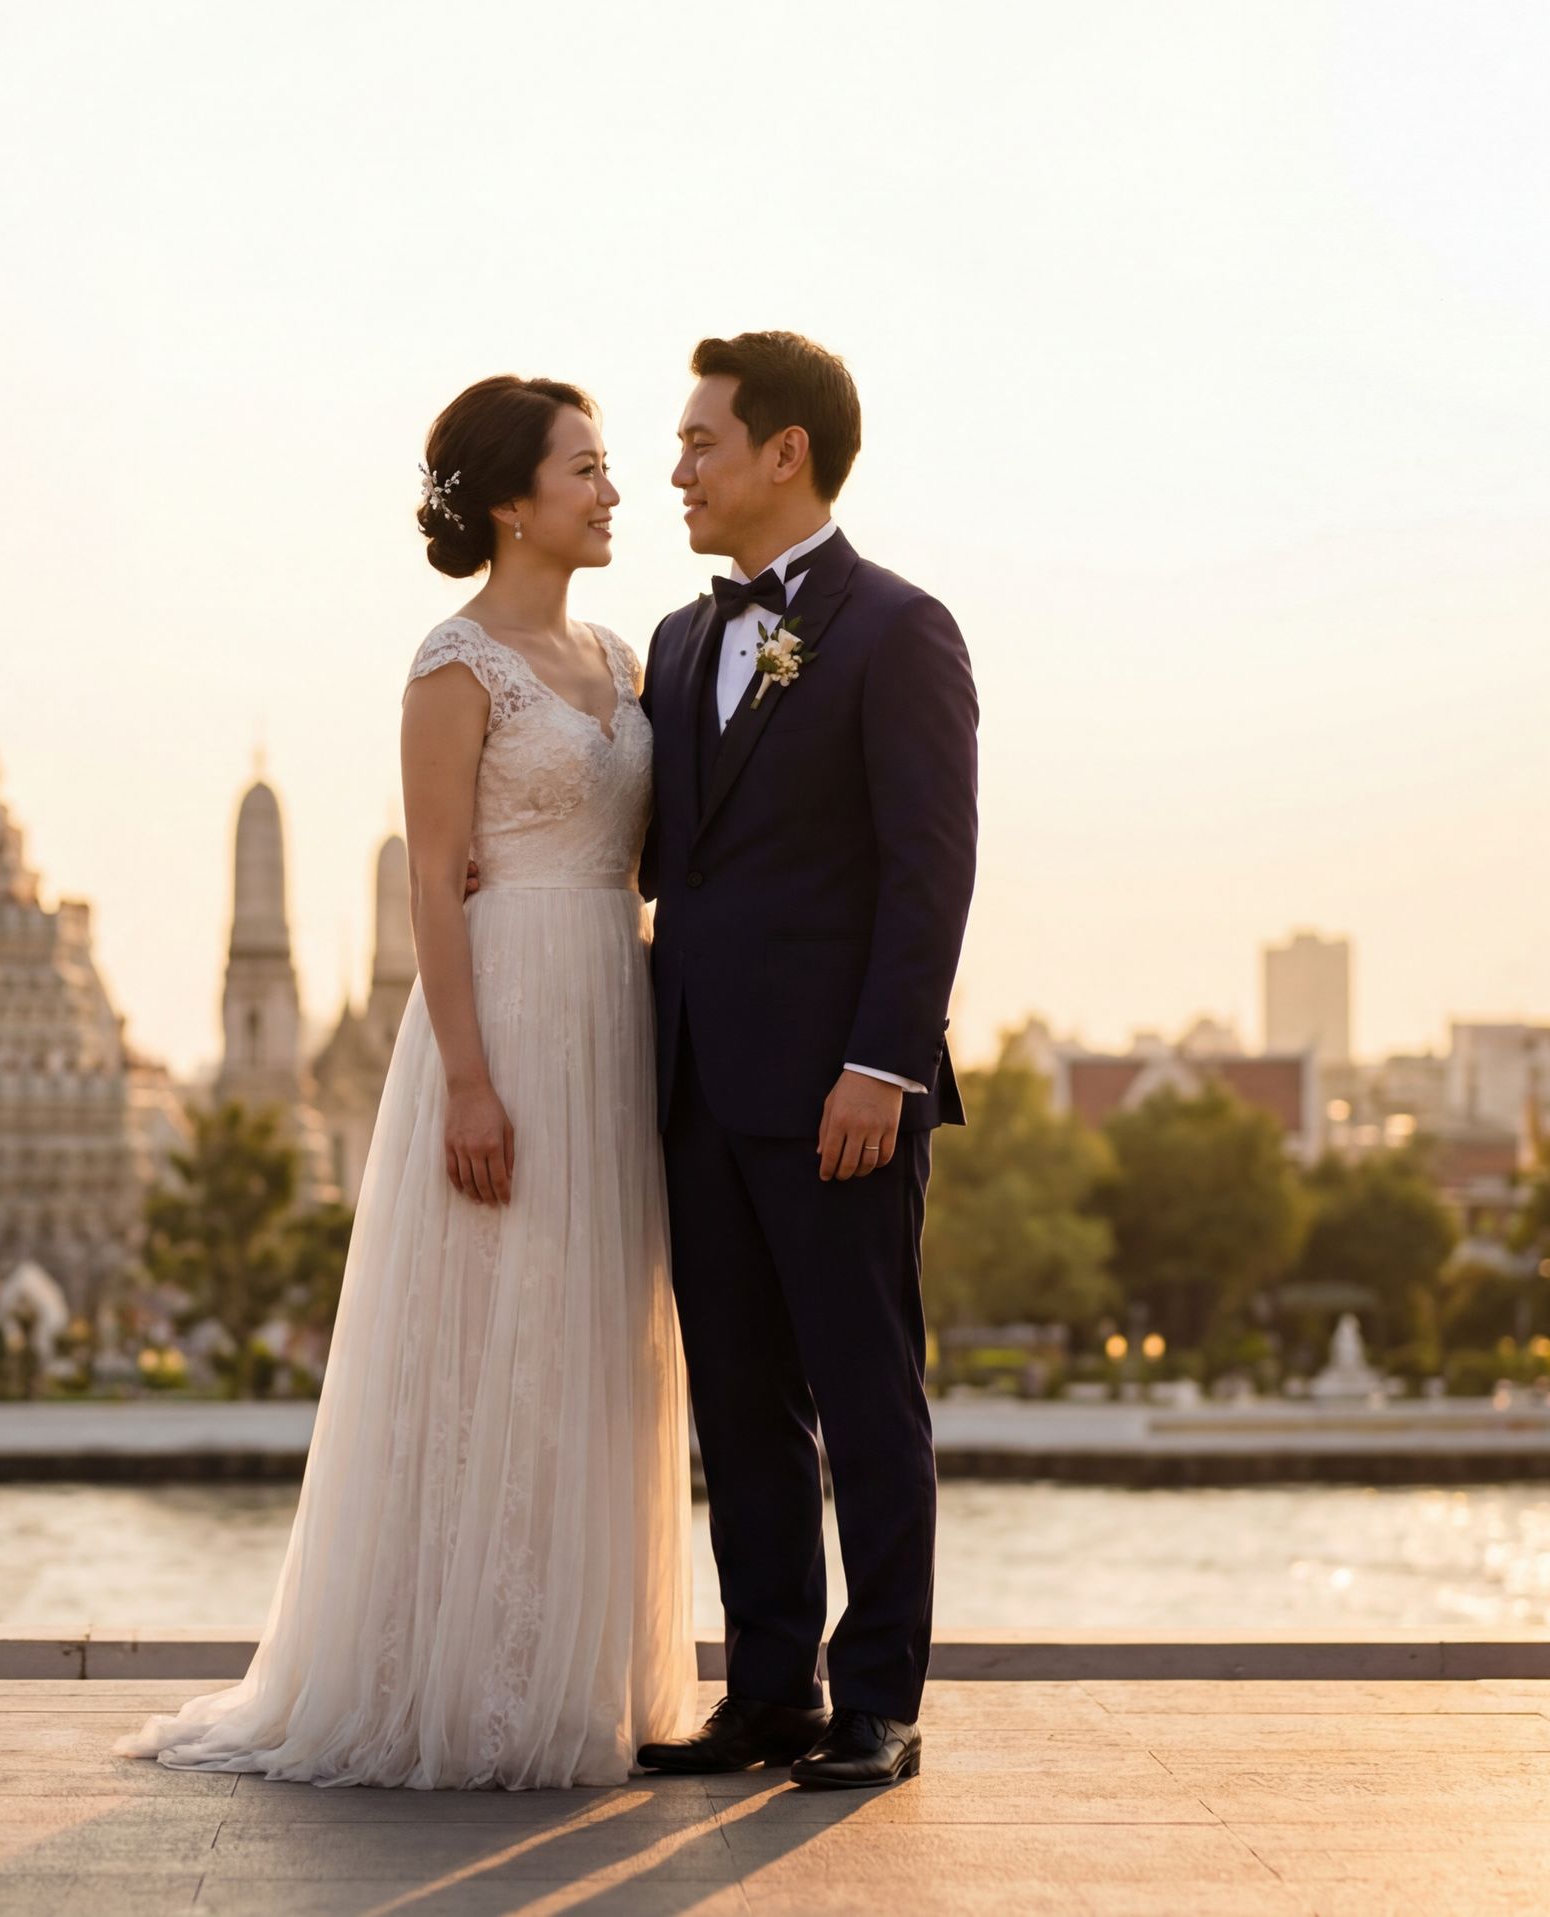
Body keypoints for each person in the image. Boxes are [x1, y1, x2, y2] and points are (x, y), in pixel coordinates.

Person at [116, 376, 695, 1789]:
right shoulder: (454, 664)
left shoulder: (623, 662)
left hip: (611, 1007)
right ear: (512, 501)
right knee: (493, 1326)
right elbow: (438, 879)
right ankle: (465, 1680)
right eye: (586, 468)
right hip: (504, 1013)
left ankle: (582, 1671)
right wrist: (471, 1084)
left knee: (593, 1335)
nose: (612, 491)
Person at [633, 331, 978, 1788]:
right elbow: (660, 857)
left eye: (700, 441)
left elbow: (929, 869)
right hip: (694, 1084)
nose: (675, 469)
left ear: (787, 452)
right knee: (740, 1400)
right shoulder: (675, 641)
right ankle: (768, 1688)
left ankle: (879, 1698)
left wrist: (883, 1067)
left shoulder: (899, 630)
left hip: (842, 1092)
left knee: (866, 1393)